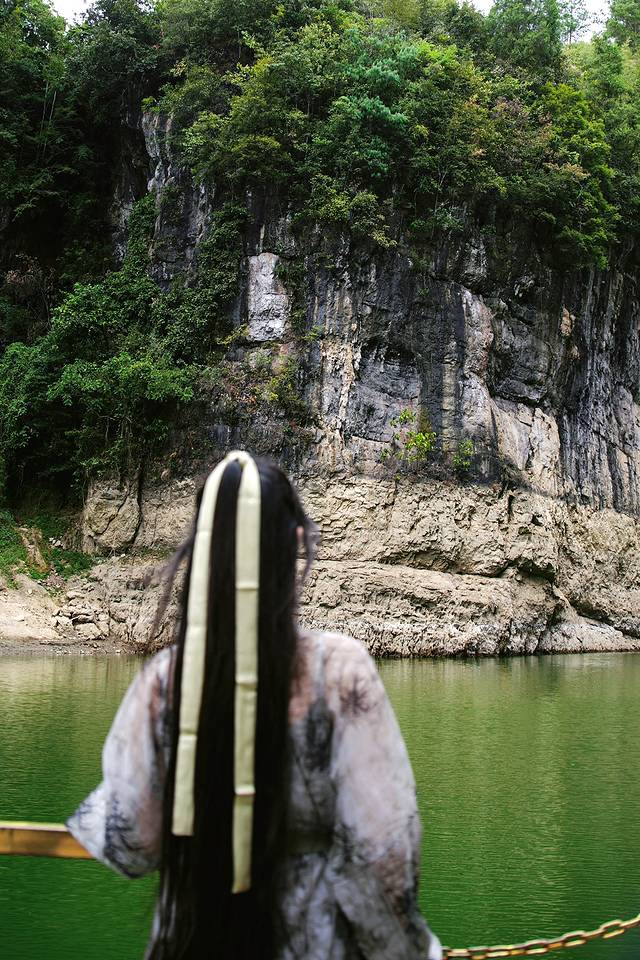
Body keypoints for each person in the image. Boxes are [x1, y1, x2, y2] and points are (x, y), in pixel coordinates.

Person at [67, 452, 443, 960]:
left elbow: (131, 840)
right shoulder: (339, 673)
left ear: (202, 550)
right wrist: (413, 952)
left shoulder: (166, 680)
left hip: (189, 943)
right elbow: (382, 853)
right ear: (296, 543)